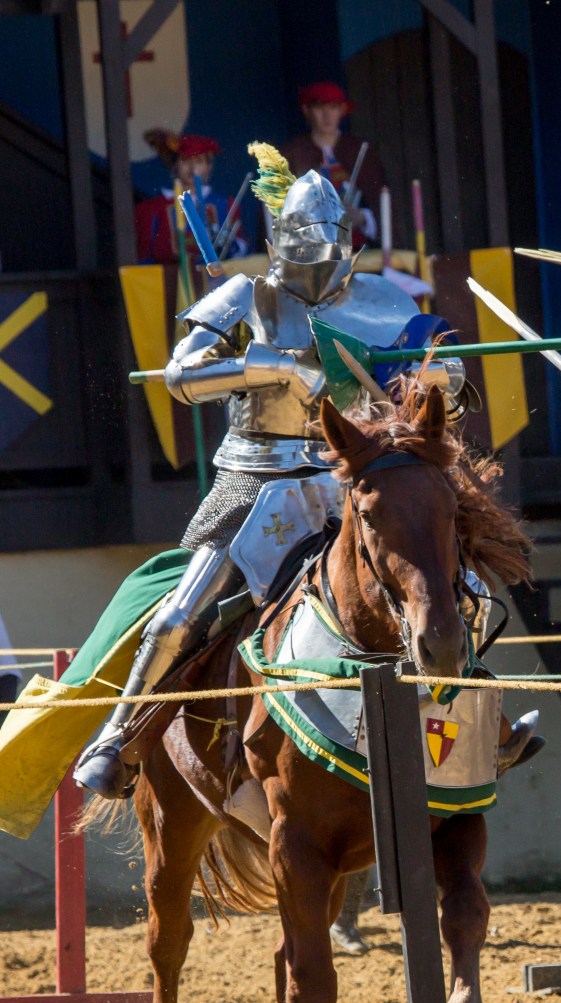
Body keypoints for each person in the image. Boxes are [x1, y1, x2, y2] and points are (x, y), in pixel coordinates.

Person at [72, 143, 426, 800]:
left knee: (442, 581)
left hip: (348, 481)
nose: (318, 255)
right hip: (256, 482)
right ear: (279, 239)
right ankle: (117, 737)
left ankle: (479, 725)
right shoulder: (246, 295)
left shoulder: (381, 300)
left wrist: (444, 377)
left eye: (329, 240)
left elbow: (420, 373)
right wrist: (270, 368)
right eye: (306, 240)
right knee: (181, 615)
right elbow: (179, 375)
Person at [283, 82, 386, 245]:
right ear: (306, 111)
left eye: (334, 107)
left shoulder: (359, 150)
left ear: (342, 110)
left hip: (359, 251)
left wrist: (361, 217)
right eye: (319, 107)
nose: (327, 115)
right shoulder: (293, 154)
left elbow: (381, 207)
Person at [134, 132, 248, 265]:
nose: (192, 168)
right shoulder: (153, 207)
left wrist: (233, 246)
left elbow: (243, 247)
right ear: (175, 165)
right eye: (185, 160)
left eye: (199, 161)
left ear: (209, 166)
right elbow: (143, 256)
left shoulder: (225, 204)